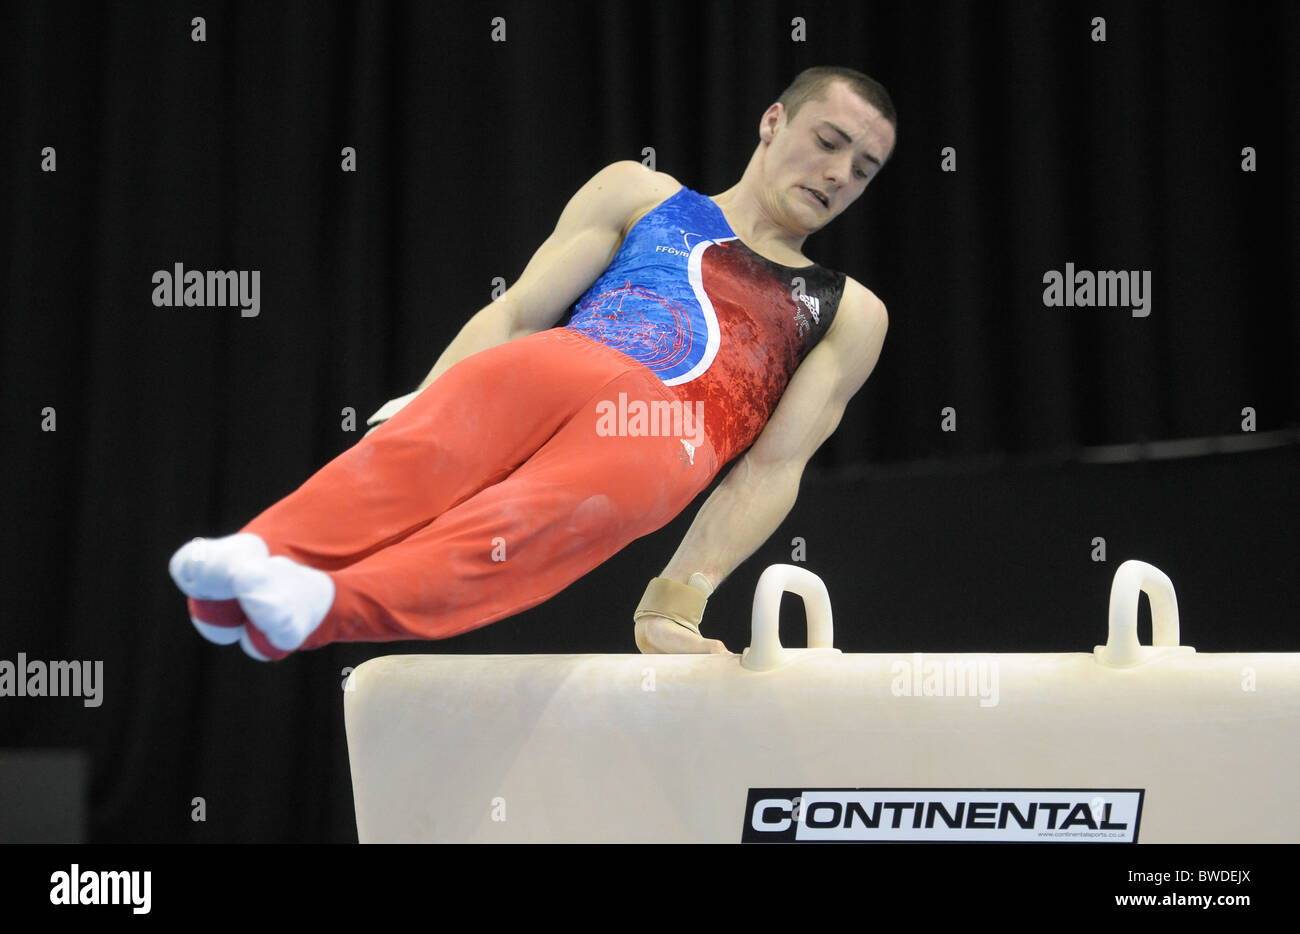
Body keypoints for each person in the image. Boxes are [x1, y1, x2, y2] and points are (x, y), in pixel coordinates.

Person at [168, 65, 897, 661]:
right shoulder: (639, 191)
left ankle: (325, 605)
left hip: (665, 429)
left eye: (864, 169)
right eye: (829, 142)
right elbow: (516, 313)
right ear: (774, 121)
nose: (839, 175)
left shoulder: (847, 311)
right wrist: (425, 401)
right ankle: (258, 551)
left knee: (518, 527)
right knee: (416, 454)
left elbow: (770, 471)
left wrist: (674, 601)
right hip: (564, 361)